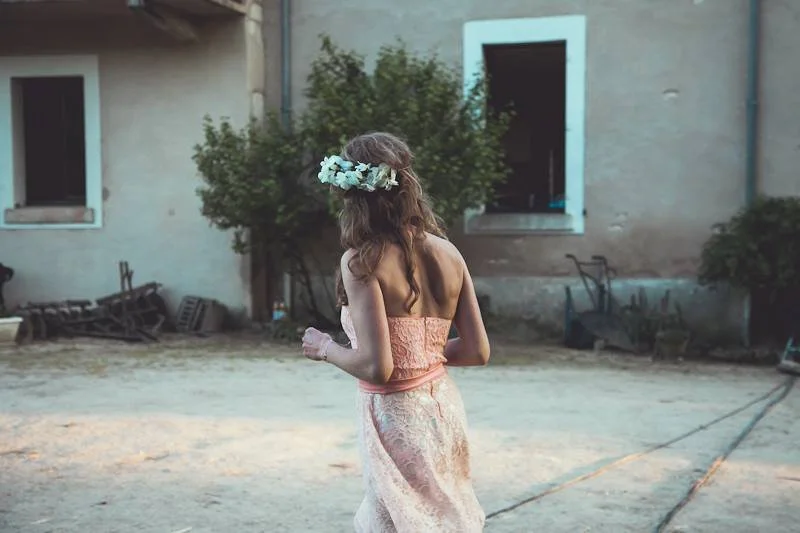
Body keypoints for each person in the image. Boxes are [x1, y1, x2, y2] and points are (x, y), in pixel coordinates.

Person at [301, 132, 490, 532]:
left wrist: (324, 348)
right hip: (442, 408)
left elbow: (377, 366)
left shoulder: (362, 262)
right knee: (443, 518)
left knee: (397, 520)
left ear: (352, 196)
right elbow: (477, 350)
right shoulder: (448, 252)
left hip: (396, 417)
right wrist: (423, 360)